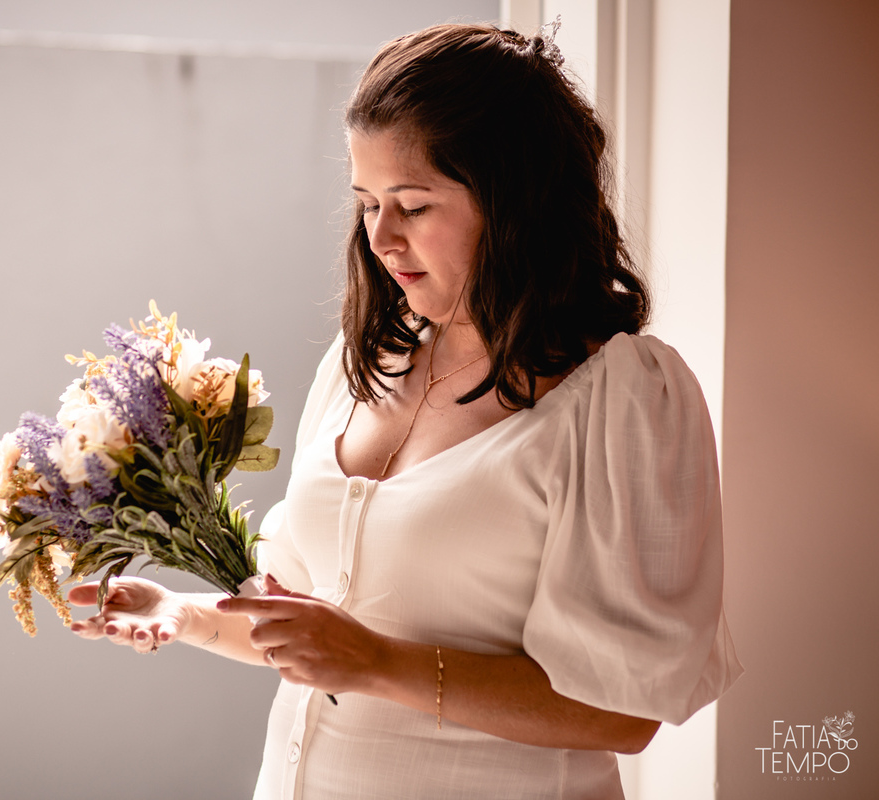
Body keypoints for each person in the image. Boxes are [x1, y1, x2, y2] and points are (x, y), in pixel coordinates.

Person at [68, 21, 742, 799]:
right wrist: (180, 613)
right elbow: (311, 625)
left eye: (414, 206)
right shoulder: (368, 360)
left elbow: (623, 710)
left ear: (515, 203)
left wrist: (380, 664)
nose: (382, 238)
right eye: (366, 203)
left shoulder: (620, 400)